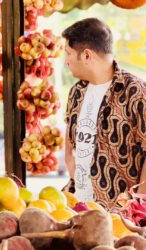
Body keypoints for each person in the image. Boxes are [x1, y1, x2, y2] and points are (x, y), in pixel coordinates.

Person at [61, 18, 146, 209]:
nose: (66, 60)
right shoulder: (76, 91)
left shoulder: (136, 92)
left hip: (119, 215)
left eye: (68, 53)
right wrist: (71, 164)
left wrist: (137, 206)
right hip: (78, 207)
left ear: (87, 55)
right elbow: (70, 136)